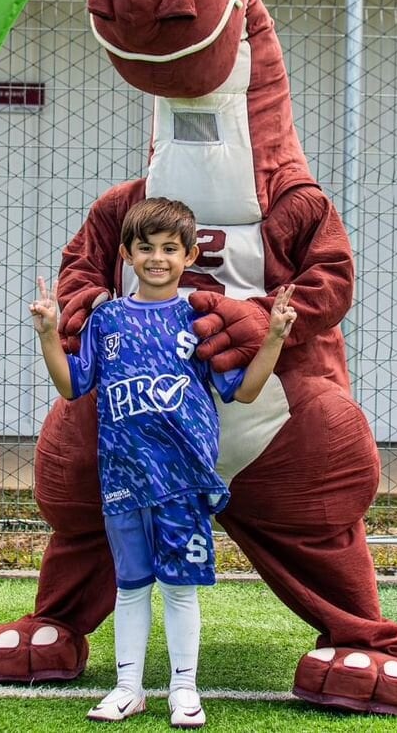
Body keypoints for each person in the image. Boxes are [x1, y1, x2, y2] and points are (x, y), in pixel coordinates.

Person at [30, 196, 297, 727]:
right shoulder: (106, 319)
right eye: (146, 247)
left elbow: (242, 393)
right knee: (131, 585)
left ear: (190, 254)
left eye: (170, 248)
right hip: (124, 477)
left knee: (178, 585)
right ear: (127, 253)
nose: (157, 258)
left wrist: (272, 339)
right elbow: (72, 384)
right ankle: (128, 688)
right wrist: (47, 334)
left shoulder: (199, 317)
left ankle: (184, 690)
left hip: (183, 481)